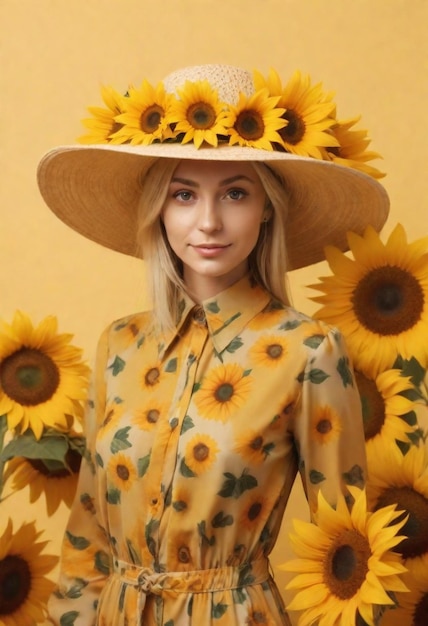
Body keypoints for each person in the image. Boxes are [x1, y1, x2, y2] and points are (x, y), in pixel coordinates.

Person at [37, 64, 389, 626]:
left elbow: (346, 550)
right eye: (183, 194)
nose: (208, 222)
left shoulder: (309, 351)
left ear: (266, 206)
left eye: (234, 192)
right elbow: (88, 529)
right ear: (159, 208)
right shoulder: (120, 345)